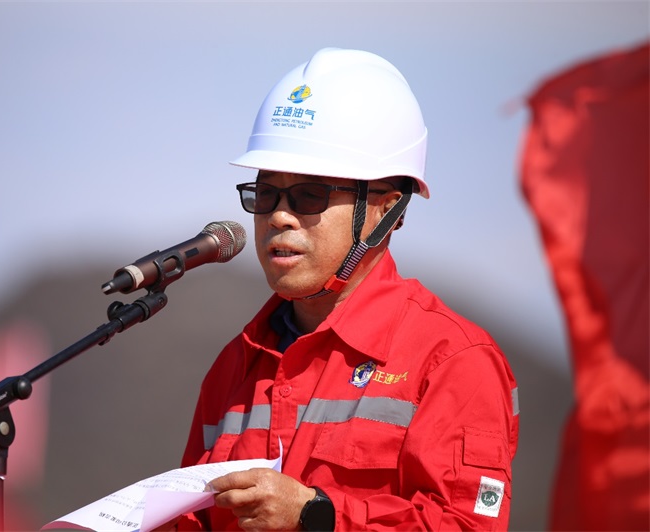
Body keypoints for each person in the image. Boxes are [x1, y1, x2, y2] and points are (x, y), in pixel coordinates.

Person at [176, 48, 519, 530]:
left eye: (310, 194)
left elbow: (467, 525)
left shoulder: (452, 361)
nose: (279, 215)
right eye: (266, 193)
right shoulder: (235, 364)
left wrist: (316, 517)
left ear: (385, 210)